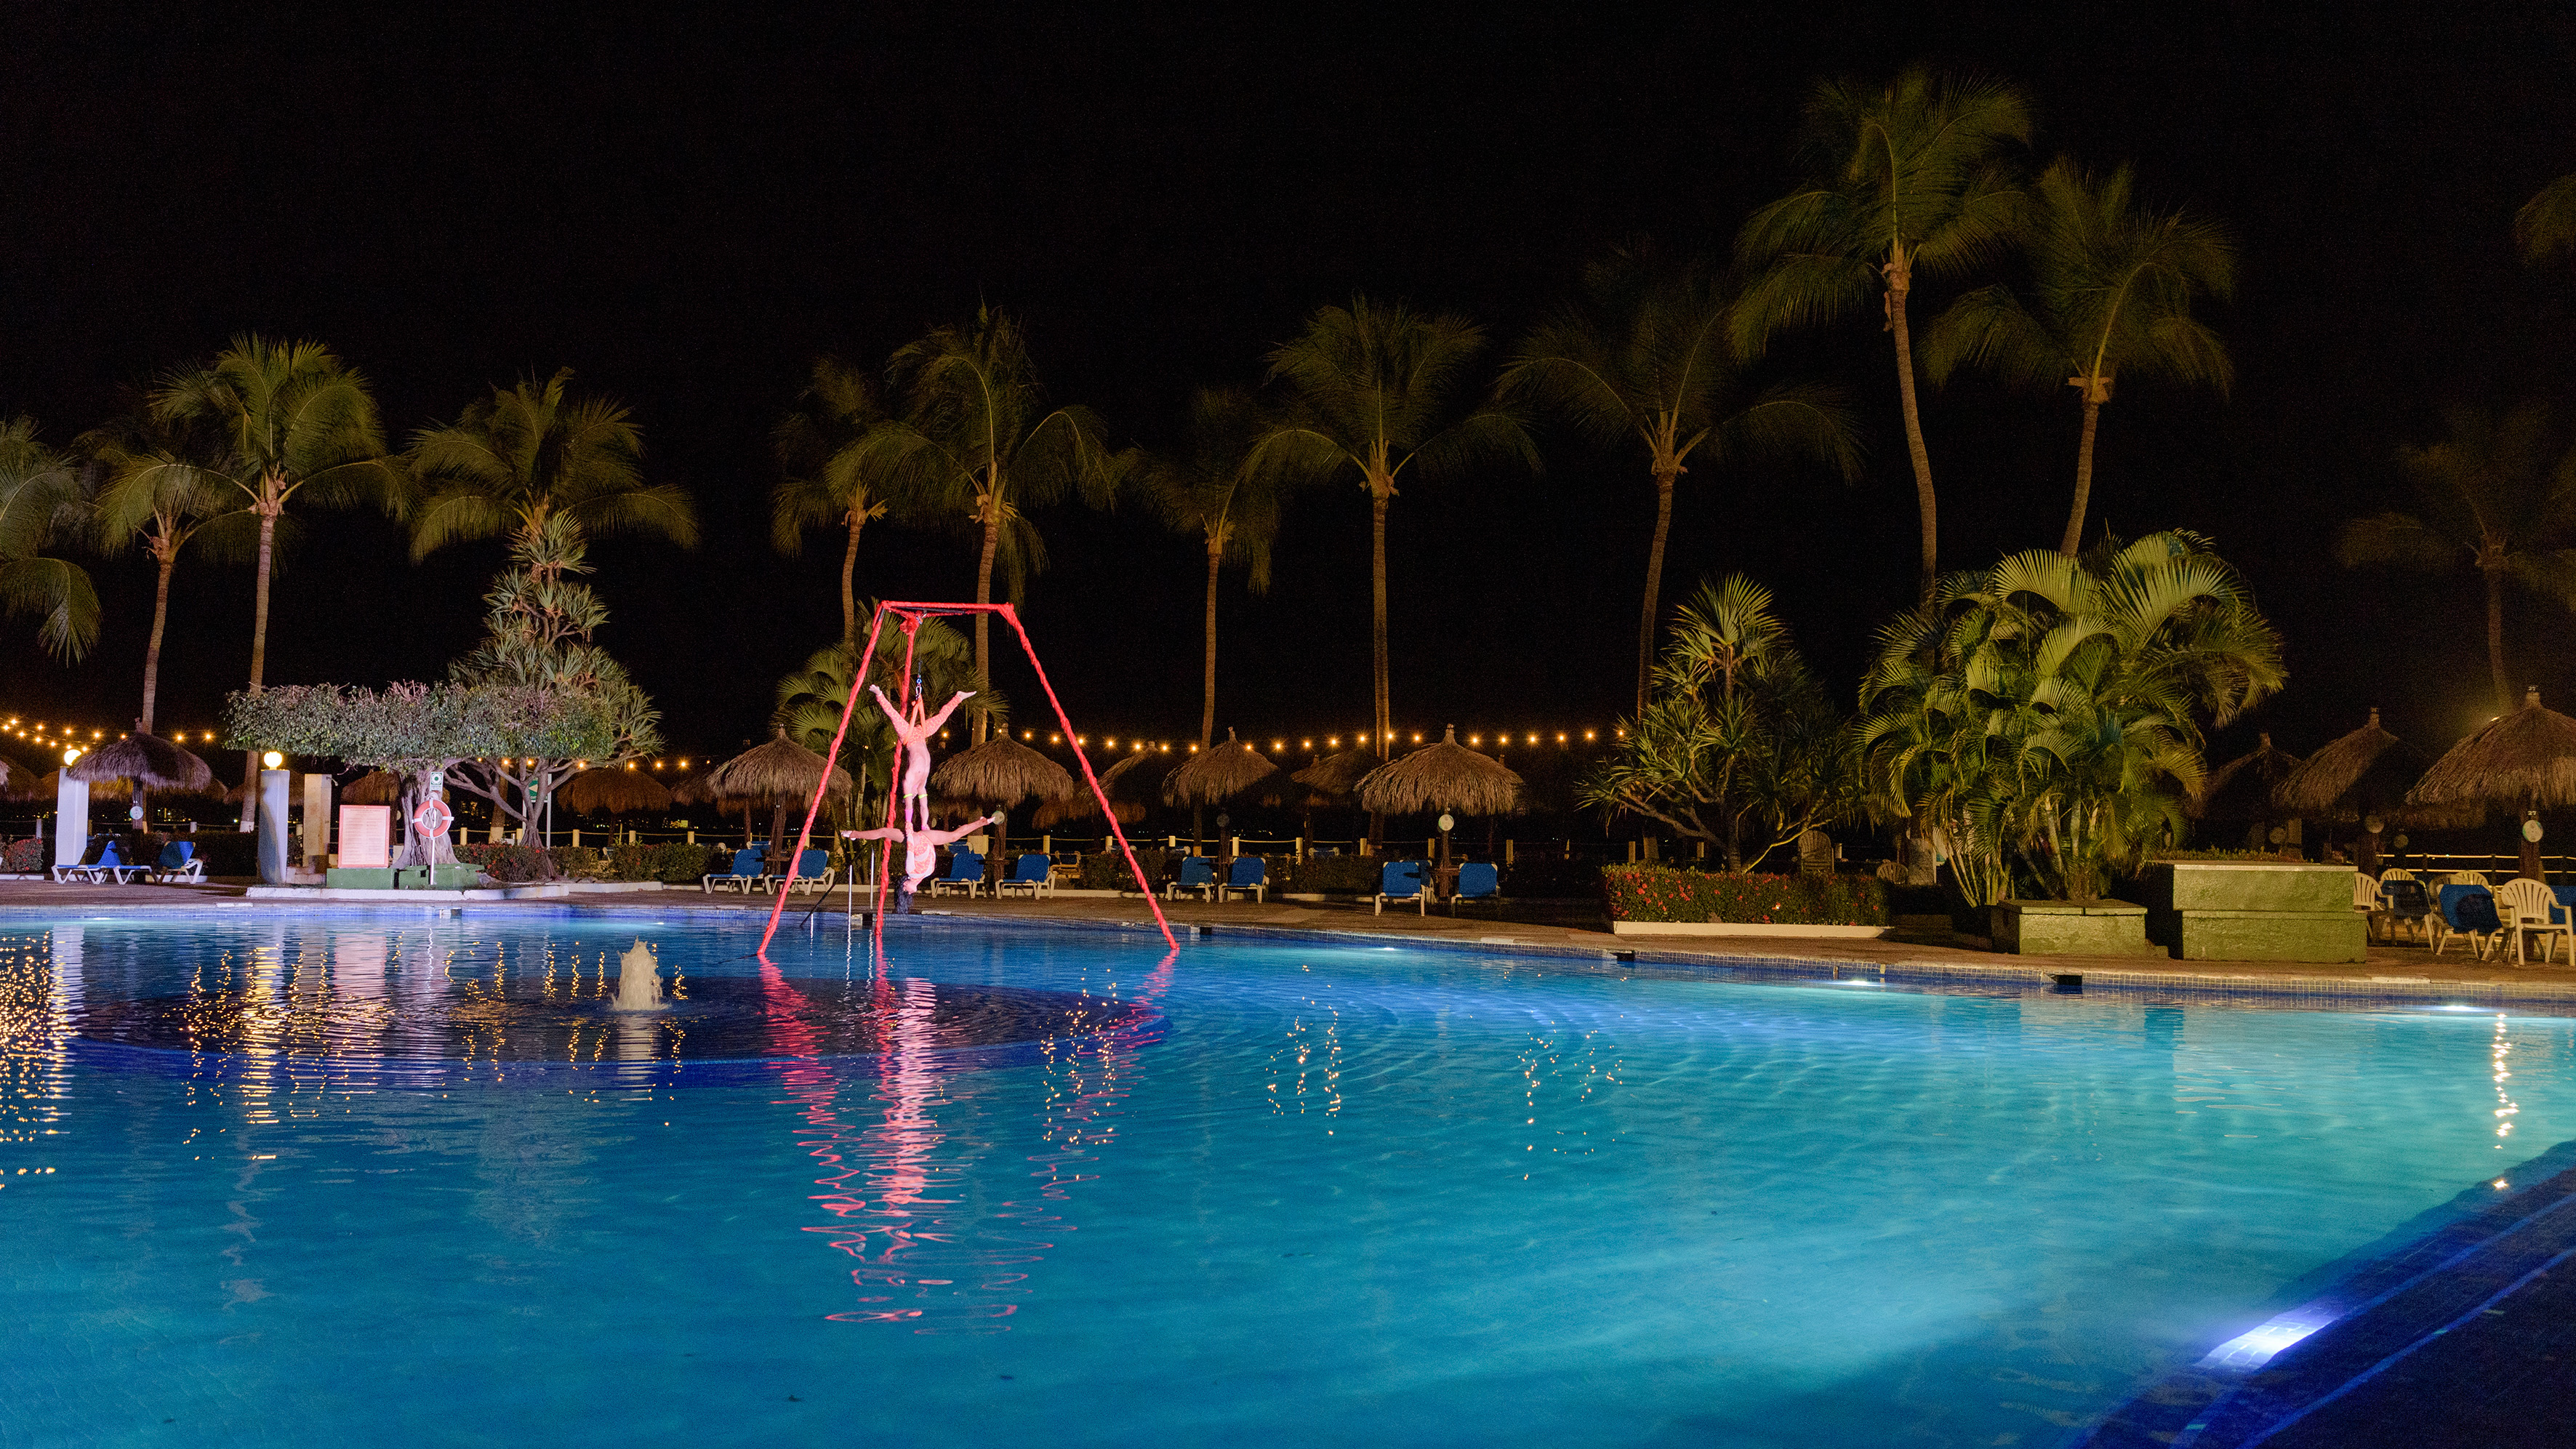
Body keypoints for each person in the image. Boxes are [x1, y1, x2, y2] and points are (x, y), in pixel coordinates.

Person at [845, 811, 1002, 913]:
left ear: (904, 885)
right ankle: (982, 822)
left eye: (906, 892)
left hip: (913, 839)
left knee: (884, 831)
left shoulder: (911, 871)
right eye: (909, 894)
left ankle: (854, 834)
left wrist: (909, 834)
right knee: (954, 836)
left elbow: (910, 849)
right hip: (927, 838)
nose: (911, 892)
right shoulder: (924, 875)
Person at [868, 684, 974, 832]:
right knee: (941, 718)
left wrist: (908, 823)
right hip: (922, 734)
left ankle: (879, 695)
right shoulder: (921, 786)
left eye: (910, 796)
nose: (913, 796)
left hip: (908, 736)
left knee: (894, 715)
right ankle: (958, 697)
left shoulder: (908, 780)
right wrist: (924, 825)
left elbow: (909, 806)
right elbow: (924, 806)